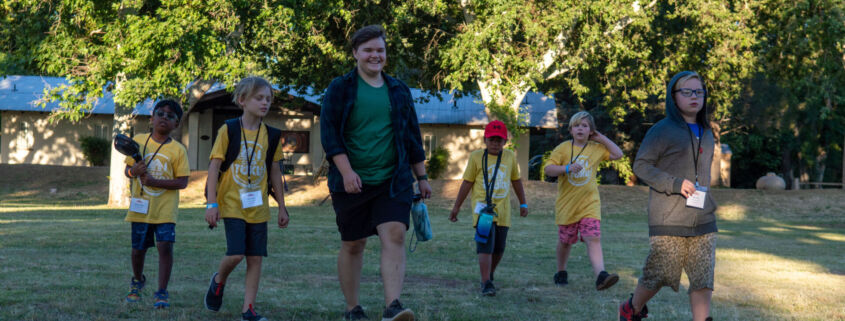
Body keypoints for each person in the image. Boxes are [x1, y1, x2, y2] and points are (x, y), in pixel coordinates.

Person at [320, 24, 431, 321]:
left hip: (392, 180)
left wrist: (421, 177)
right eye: (368, 50)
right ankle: (352, 308)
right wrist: (346, 172)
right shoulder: (340, 88)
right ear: (355, 52)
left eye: (380, 50)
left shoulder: (398, 90)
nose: (374, 56)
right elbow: (330, 135)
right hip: (351, 181)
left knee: (395, 233)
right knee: (354, 243)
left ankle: (392, 306)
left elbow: (411, 136)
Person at [618, 71, 718, 321]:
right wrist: (674, 183)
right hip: (669, 216)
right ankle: (632, 308)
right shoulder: (661, 130)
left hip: (703, 217)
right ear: (673, 97)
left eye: (699, 91)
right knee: (660, 273)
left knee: (703, 277)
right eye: (687, 91)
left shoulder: (707, 131)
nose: (694, 96)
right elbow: (640, 166)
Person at [204, 77, 290, 321]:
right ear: (242, 100)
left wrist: (282, 207)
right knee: (236, 254)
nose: (265, 103)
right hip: (231, 203)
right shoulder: (228, 129)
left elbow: (274, 172)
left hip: (258, 207)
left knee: (255, 257)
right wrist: (212, 203)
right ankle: (219, 280)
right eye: (259, 98)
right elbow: (213, 168)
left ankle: (248, 309)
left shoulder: (272, 135)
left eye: (268, 99)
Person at [544, 111, 623, 290]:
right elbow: (548, 169)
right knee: (565, 242)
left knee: (592, 237)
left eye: (585, 125)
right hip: (567, 205)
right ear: (571, 130)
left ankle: (601, 276)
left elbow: (618, 154)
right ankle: (561, 271)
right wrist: (566, 168)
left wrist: (600, 137)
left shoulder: (596, 149)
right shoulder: (563, 148)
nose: (581, 128)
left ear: (591, 131)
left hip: (590, 204)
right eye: (577, 125)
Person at [448, 120, 528, 296]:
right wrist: (456, 207)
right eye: (491, 139)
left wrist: (523, 202)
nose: (495, 143)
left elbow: (516, 180)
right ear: (485, 140)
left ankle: (489, 274)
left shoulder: (509, 157)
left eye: (499, 140)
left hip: (503, 211)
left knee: (499, 248)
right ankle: (486, 282)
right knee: (485, 245)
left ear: (505, 142)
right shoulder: (476, 157)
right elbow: (467, 182)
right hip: (482, 211)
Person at [123, 99, 190, 309]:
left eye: (170, 116)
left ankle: (161, 291)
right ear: (151, 118)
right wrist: (134, 172)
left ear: (176, 124)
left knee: (165, 247)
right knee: (138, 249)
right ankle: (137, 281)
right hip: (141, 207)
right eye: (160, 113)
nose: (164, 118)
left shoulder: (178, 150)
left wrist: (154, 181)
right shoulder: (140, 141)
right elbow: (127, 171)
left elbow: (183, 181)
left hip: (165, 210)